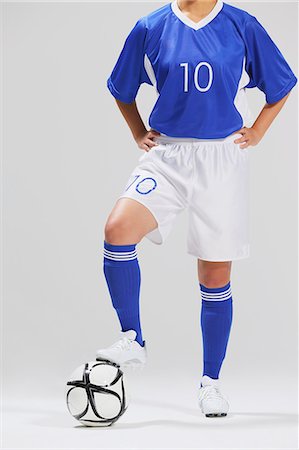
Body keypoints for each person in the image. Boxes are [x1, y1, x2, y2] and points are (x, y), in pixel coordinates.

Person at [96, 0, 297, 417]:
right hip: (166, 155)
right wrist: (138, 132)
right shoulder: (150, 26)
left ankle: (210, 382)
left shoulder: (242, 25)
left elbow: (280, 84)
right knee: (117, 230)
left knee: (214, 274)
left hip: (221, 160)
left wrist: (257, 131)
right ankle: (133, 339)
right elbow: (121, 87)